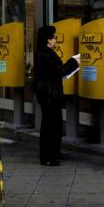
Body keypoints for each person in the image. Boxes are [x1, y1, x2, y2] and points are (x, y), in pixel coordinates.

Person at [34, 26, 79, 166]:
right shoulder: (46, 54)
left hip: (48, 93)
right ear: (48, 39)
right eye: (54, 37)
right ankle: (47, 157)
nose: (55, 40)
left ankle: (54, 152)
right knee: (50, 125)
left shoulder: (43, 52)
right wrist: (74, 61)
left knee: (55, 123)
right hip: (49, 94)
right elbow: (60, 71)